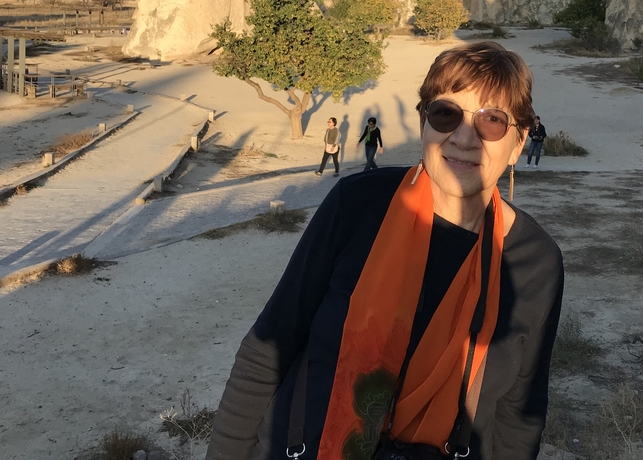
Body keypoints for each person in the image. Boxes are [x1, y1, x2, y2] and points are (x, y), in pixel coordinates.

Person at [206, 41, 564, 460]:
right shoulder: (358, 205)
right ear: (424, 124)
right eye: (446, 113)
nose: (465, 137)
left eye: (492, 121)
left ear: (519, 142)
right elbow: (267, 349)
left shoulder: (534, 263)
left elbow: (518, 417)